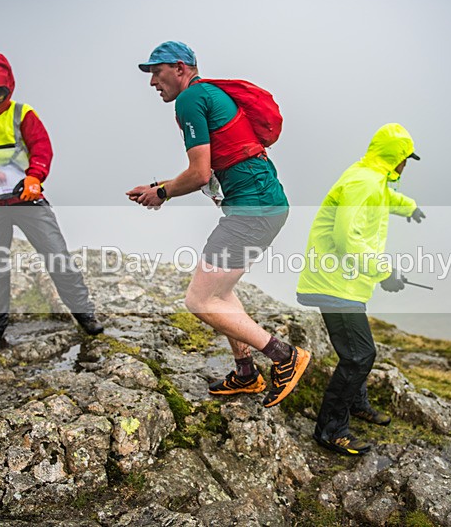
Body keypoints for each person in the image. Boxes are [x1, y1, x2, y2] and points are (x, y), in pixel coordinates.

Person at [127, 41, 310, 407]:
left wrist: (162, 194)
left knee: (199, 299)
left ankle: (284, 357)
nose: (152, 82)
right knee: (221, 293)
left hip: (253, 209)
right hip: (264, 205)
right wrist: (158, 188)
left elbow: (199, 174)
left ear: (180, 68)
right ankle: (246, 373)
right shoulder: (207, 94)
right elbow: (209, 169)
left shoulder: (190, 100)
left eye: (156, 72)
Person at [0, 52, 103, 350]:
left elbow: (42, 148)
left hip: (26, 196)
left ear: (9, 87)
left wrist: (36, 176)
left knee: (56, 256)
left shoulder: (22, 113)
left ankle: (85, 315)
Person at [296, 123, 425, 455]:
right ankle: (331, 429)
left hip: (345, 281)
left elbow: (383, 199)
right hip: (335, 281)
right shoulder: (363, 182)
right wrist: (385, 272)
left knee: (354, 352)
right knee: (360, 355)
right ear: (395, 156)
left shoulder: (371, 177)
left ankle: (356, 404)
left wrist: (408, 207)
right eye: (405, 158)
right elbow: (346, 238)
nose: (406, 165)